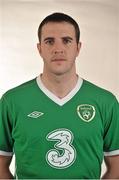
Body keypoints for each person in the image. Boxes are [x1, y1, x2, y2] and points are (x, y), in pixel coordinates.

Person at [0, 12, 119, 179]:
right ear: (39, 48)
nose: (58, 49)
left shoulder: (106, 102)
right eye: (49, 41)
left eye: (67, 40)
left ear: (78, 47)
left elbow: (117, 165)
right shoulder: (12, 101)